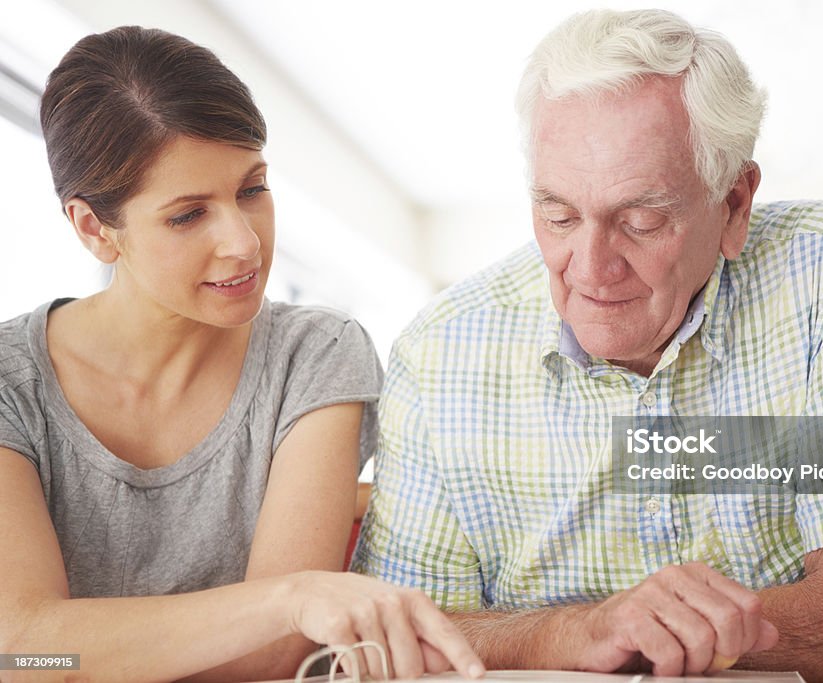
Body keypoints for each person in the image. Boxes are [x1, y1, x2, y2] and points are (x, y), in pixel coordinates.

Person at [352, 8, 823, 682]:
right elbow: (392, 640)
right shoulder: (439, 349)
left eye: (642, 220)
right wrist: (579, 630)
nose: (591, 267)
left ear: (735, 205)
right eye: (558, 214)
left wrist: (647, 637)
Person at [0, 26, 483, 683]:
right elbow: (23, 651)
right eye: (188, 214)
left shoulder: (314, 355)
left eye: (252, 189)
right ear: (94, 228)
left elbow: (275, 654)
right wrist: (289, 600)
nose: (244, 244)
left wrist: (86, 651)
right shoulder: (10, 383)